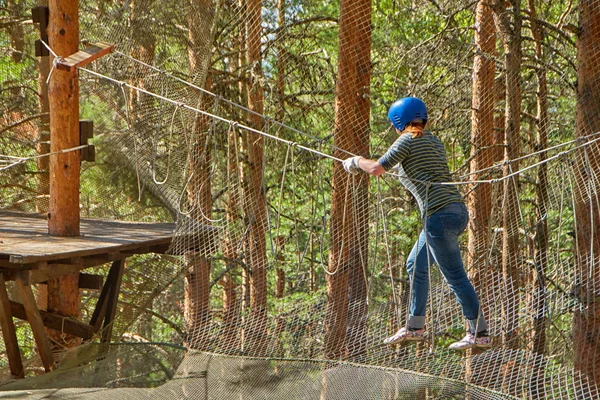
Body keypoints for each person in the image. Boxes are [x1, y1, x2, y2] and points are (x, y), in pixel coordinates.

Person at [342, 97, 491, 350]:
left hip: (438, 216)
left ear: (399, 121)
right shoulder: (433, 141)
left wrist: (356, 161)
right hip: (455, 212)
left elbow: (377, 169)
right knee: (415, 264)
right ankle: (415, 326)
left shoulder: (407, 140)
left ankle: (479, 332)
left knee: (454, 276)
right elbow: (415, 168)